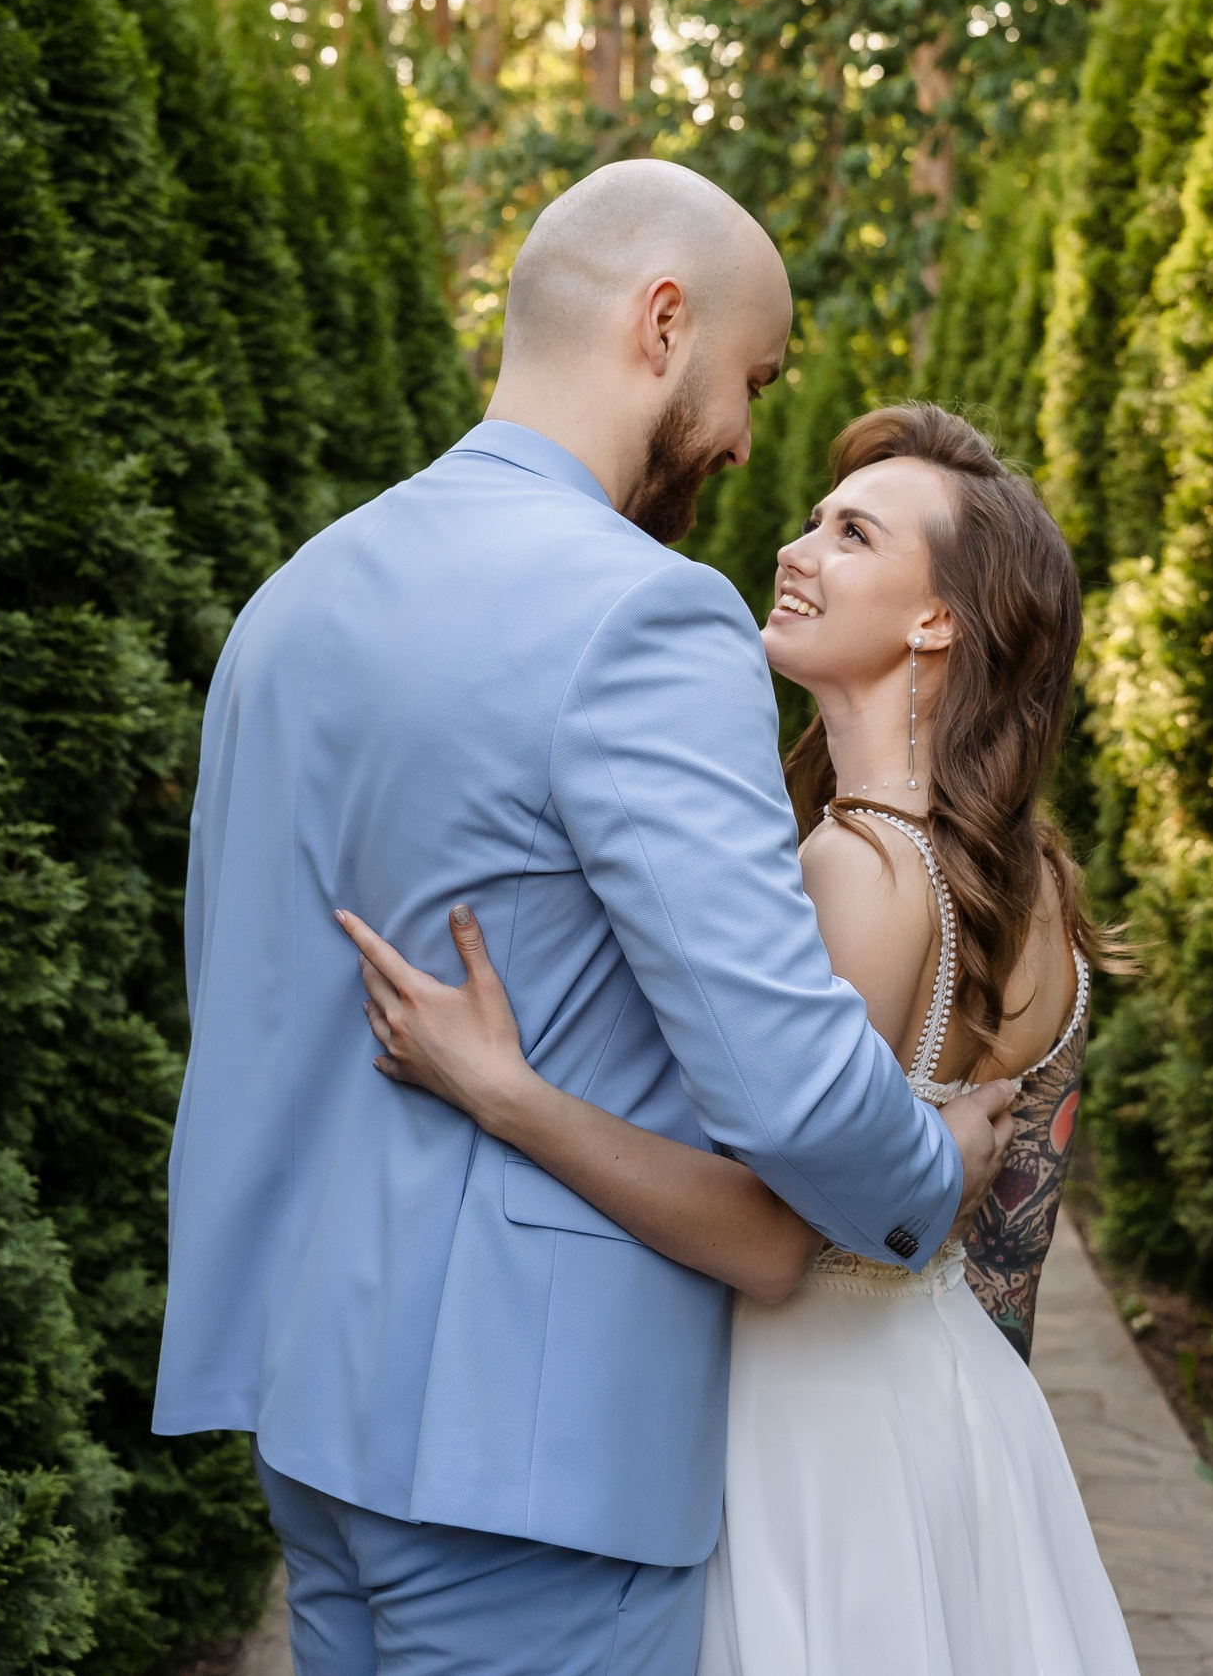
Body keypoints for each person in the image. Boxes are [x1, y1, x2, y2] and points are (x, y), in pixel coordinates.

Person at [151, 157, 1018, 1676]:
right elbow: (785, 1076)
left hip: (304, 1403)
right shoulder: (647, 612)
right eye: (752, 380)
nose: (746, 438)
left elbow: (242, 987)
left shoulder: (292, 596)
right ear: (661, 323)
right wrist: (927, 1173)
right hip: (532, 1452)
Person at [339, 401, 1141, 1675]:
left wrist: (504, 1091)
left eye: (855, 534)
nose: (797, 548)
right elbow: (1012, 1245)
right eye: (815, 519)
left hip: (801, 1430)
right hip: (954, 1416)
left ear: (937, 621)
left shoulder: (851, 868)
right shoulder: (1033, 881)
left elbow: (768, 1241)